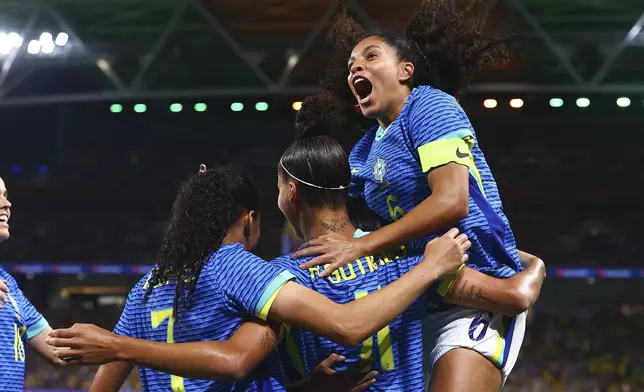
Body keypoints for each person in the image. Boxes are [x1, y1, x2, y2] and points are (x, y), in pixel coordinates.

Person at [48, 165, 469, 391]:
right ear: (250, 220)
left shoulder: (148, 288)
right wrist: (431, 266)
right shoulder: (238, 266)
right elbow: (239, 361)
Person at [289, 2, 532, 390]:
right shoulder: (364, 151)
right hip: (420, 288)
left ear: (406, 71)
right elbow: (337, 218)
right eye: (351, 64)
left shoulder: (429, 105)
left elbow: (452, 201)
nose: (356, 68)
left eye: (371, 56)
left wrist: (363, 246)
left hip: (477, 288)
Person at [0, 177, 65, 391]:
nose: (7, 204)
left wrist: (121, 342)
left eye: (6, 195)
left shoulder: (10, 286)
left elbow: (58, 352)